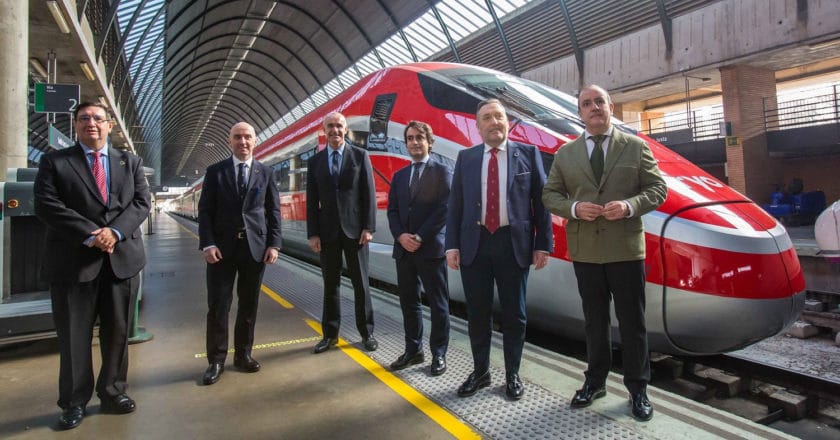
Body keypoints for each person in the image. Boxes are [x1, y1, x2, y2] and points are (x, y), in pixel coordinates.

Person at [542, 85, 667, 421]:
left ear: (611, 107)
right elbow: (550, 196)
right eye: (587, 103)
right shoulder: (566, 154)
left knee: (633, 323)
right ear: (579, 112)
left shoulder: (636, 146)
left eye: (599, 102)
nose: (594, 107)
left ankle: (638, 389)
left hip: (626, 250)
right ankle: (595, 382)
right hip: (586, 252)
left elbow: (658, 189)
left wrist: (629, 206)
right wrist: (575, 207)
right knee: (594, 321)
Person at [34, 102, 151, 430]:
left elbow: (142, 202)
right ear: (75, 126)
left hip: (121, 263)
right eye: (84, 119)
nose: (92, 124)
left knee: (117, 333)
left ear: (110, 126)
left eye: (98, 119)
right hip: (74, 264)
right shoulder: (55, 162)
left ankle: (113, 391)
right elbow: (46, 206)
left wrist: (113, 232)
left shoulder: (130, 162)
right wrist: (92, 234)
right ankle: (73, 402)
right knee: (74, 337)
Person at [445, 98, 553, 400]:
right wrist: (451, 245)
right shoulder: (466, 158)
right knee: (478, 313)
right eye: (487, 118)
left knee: (514, 315)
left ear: (507, 122)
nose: (495, 122)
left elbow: (541, 203)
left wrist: (543, 244)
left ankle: (512, 375)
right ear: (478, 127)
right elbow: (456, 205)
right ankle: (480, 372)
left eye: (499, 116)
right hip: (474, 245)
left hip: (512, 244)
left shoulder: (528, 154)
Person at [198, 122, 282, 385]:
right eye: (237, 137)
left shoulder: (265, 172)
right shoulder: (215, 172)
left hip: (254, 250)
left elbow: (273, 212)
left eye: (247, 137)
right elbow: (205, 212)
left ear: (255, 141)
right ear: (229, 141)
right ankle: (216, 360)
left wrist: (274, 244)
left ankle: (243, 355)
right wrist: (208, 243)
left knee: (248, 305)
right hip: (221, 250)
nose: (242, 142)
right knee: (218, 305)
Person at [307, 112, 378, 353]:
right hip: (327, 233)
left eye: (339, 126)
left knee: (361, 284)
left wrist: (369, 227)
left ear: (345, 129)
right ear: (323, 130)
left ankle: (367, 333)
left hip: (356, 232)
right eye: (330, 126)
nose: (334, 130)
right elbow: (311, 201)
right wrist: (313, 233)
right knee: (330, 285)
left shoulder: (360, 156)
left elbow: (369, 194)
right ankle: (329, 335)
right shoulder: (315, 162)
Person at [386, 121, 451, 376]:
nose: (414, 142)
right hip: (404, 250)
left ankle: (439, 354)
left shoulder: (442, 172)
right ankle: (413, 350)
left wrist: (420, 236)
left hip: (430, 249)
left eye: (419, 138)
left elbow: (444, 209)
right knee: (409, 302)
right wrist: (401, 235)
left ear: (429, 142)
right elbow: (392, 210)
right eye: (410, 138)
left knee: (438, 303)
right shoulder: (400, 176)